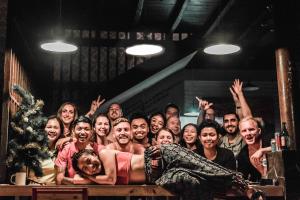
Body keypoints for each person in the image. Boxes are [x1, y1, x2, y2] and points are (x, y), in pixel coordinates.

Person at [72, 144, 264, 200]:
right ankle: (231, 193)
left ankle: (245, 186)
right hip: (159, 176)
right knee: (190, 183)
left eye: (89, 160)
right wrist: (79, 178)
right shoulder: (98, 176)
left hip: (162, 157)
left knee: (204, 167)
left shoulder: (105, 153)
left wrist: (87, 177)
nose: (90, 166)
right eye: (85, 167)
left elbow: (112, 179)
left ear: (92, 153)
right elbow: (71, 181)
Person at [55, 115, 104, 184]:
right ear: (73, 131)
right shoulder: (66, 149)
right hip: (73, 191)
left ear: (92, 131)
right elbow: (59, 178)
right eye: (79, 129)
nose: (83, 132)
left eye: (86, 129)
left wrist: (79, 181)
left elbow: (108, 178)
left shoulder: (101, 150)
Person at [28, 115, 63, 185]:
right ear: (43, 129)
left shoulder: (62, 149)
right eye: (49, 127)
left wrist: (68, 138)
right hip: (34, 190)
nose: (52, 130)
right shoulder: (34, 148)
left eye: (56, 128)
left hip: (55, 192)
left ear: (60, 131)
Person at [237, 117, 272, 182]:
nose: (248, 133)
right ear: (240, 134)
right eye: (244, 131)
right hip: (261, 187)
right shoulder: (242, 155)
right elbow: (243, 178)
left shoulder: (270, 140)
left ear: (259, 131)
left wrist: (263, 150)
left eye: (251, 129)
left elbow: (284, 147)